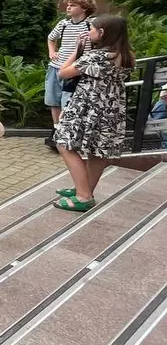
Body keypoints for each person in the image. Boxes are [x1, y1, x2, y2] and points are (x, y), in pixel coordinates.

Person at [52, 15, 135, 211]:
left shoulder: (96, 57)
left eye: (92, 29)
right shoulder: (127, 56)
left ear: (102, 32)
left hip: (87, 107)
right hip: (111, 109)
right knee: (97, 151)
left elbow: (62, 73)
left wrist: (77, 50)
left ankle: (83, 196)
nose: (89, 32)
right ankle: (85, 190)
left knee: (64, 143)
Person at [45, 0, 96, 149]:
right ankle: (56, 129)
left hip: (76, 70)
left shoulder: (91, 24)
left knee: (68, 101)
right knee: (53, 100)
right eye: (68, 5)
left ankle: (67, 131)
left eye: (73, 5)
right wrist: (52, 52)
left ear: (84, 8)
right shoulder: (63, 24)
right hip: (56, 66)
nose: (68, 7)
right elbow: (51, 38)